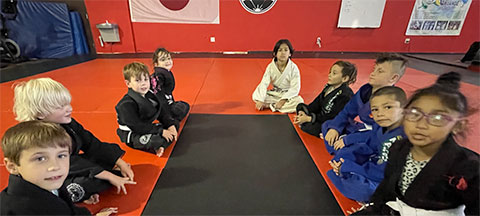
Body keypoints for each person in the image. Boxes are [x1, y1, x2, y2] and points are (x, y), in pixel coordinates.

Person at [355, 72, 479, 215]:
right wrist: (373, 208)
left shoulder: (468, 166)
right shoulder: (399, 148)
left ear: (458, 125)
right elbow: (386, 188)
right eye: (414, 113)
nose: (421, 124)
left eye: (437, 117)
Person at [13, 78, 135, 204]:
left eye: (68, 103)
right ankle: (73, 194)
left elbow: (91, 143)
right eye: (61, 107)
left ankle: (96, 181)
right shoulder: (37, 137)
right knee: (85, 184)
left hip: (74, 166)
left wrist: (119, 161)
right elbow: (68, 162)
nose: (69, 109)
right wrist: (109, 175)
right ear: (41, 113)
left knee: (106, 158)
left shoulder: (67, 123)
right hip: (53, 175)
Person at [1, 120, 118, 215]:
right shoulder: (21, 209)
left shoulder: (48, 182)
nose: (55, 166)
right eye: (40, 159)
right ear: (13, 166)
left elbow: (67, 209)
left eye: (61, 155)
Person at [327, 86, 407, 202]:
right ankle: (345, 173)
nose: (380, 113)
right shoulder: (382, 126)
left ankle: (347, 176)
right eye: (375, 109)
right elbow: (370, 142)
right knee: (346, 152)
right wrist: (348, 143)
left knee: (365, 191)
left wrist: (351, 166)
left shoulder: (400, 138)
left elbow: (384, 173)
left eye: (388, 107)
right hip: (376, 162)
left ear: (404, 108)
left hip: (390, 179)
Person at [322, 53, 407, 154]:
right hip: (362, 130)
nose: (372, 73)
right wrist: (335, 128)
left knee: (352, 150)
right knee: (327, 125)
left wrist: (347, 140)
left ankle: (342, 151)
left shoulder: (393, 101)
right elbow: (347, 112)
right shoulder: (365, 91)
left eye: (380, 71)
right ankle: (340, 148)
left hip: (376, 139)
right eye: (374, 69)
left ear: (393, 78)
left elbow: (378, 135)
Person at [116, 62, 178, 157]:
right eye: (138, 80)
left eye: (145, 79)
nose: (143, 83)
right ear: (128, 83)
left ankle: (161, 145)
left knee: (175, 124)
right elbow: (138, 127)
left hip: (147, 126)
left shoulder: (150, 95)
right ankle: (158, 145)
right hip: (133, 133)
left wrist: (170, 125)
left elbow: (161, 111)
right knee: (156, 140)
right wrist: (161, 131)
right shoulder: (125, 105)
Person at [294, 60, 357, 137]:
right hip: (320, 116)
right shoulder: (329, 87)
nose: (329, 75)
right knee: (300, 106)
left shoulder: (345, 95)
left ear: (345, 78)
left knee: (310, 127)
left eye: (334, 73)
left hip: (332, 122)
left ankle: (323, 132)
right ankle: (303, 119)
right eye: (330, 72)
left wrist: (309, 119)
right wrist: (303, 113)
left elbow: (333, 117)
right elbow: (316, 103)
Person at [252, 39, 304, 113]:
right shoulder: (270, 67)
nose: (283, 53)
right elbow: (264, 83)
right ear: (275, 54)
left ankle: (270, 105)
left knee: (299, 102)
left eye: (286, 50)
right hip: (275, 93)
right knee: (256, 94)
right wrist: (260, 99)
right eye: (280, 50)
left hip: (288, 95)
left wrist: (283, 100)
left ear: (290, 53)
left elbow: (295, 88)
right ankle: (275, 105)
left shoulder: (293, 68)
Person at [151, 47, 190, 122]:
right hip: (158, 106)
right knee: (181, 109)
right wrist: (166, 115)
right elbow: (158, 94)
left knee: (183, 106)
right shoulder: (158, 76)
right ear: (156, 64)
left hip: (165, 101)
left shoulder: (165, 73)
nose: (167, 61)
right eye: (163, 60)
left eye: (168, 58)